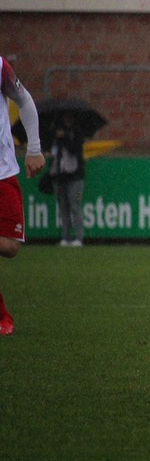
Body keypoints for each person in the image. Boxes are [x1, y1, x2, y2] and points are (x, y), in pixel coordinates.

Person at [0, 54, 45, 335]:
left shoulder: (0, 67)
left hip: (2, 170)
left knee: (10, 246)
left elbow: (24, 100)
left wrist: (34, 148)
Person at [48, 112, 87, 246]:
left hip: (75, 176)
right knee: (63, 207)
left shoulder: (77, 133)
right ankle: (65, 237)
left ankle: (79, 237)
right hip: (60, 176)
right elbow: (53, 154)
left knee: (74, 205)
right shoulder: (56, 134)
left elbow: (75, 149)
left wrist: (64, 137)